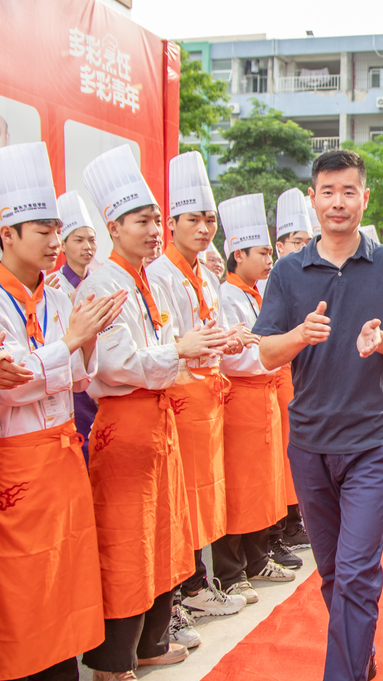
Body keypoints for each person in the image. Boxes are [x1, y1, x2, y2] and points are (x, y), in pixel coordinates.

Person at [253, 149, 383, 681]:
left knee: (356, 571)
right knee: (332, 571)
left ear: (364, 198)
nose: (338, 202)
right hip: (309, 442)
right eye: (328, 192)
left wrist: (382, 341)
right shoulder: (288, 272)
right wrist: (298, 335)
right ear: (313, 199)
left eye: (349, 191)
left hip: (371, 440)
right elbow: (265, 353)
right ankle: (360, 654)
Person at [79, 145, 230, 679]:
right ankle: (112, 659)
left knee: (163, 532)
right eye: (140, 221)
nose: (151, 230)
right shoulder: (104, 284)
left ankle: (150, 643)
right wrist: (181, 352)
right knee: (126, 539)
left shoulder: (146, 280)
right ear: (112, 227)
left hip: (159, 421)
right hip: (125, 425)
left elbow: (166, 351)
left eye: (154, 220)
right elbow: (118, 364)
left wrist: (192, 350)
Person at [0, 142, 124, 681]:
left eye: (58, 230)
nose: (55, 242)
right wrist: (71, 341)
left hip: (61, 456)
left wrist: (85, 341)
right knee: (24, 584)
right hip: (19, 467)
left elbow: (72, 378)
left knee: (66, 573)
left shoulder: (51, 298)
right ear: (7, 234)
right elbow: (14, 386)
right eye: (44, 232)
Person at [146, 152, 247, 635]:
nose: (205, 228)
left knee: (202, 497)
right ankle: (186, 591)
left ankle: (197, 583)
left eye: (209, 219)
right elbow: (169, 346)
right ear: (171, 224)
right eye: (194, 219)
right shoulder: (160, 275)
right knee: (180, 499)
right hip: (180, 397)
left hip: (206, 397)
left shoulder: (202, 274)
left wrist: (230, 339)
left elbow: (211, 332)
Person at [216, 193, 295, 602]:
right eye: (263, 252)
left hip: (262, 397)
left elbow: (262, 343)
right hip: (241, 400)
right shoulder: (226, 296)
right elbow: (242, 356)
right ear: (237, 253)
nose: (269, 261)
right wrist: (272, 349)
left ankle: (258, 556)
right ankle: (231, 572)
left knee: (264, 483)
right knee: (240, 487)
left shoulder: (252, 293)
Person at [268, 187, 315, 561]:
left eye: (306, 241)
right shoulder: (278, 280)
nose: (303, 248)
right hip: (273, 380)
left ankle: (293, 522)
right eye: (296, 241)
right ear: (280, 244)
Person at [52, 190, 101, 464]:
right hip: (66, 382)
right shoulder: (53, 286)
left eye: (92, 240)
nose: (87, 247)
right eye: (79, 240)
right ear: (63, 245)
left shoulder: (102, 284)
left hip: (96, 377)